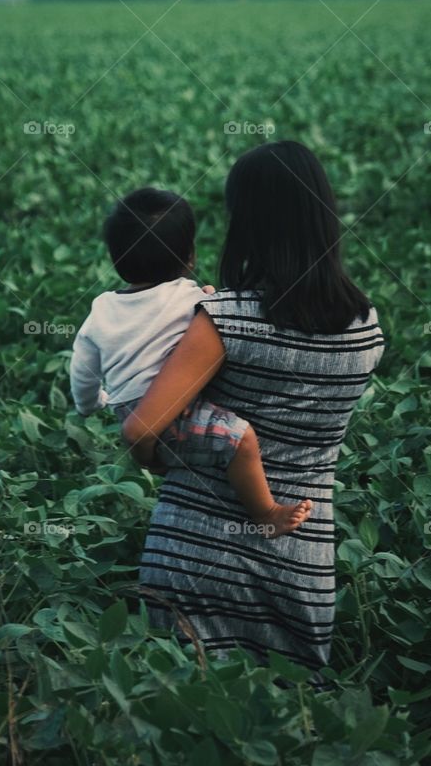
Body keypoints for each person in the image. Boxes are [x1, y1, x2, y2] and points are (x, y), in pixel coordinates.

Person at [121, 142, 385, 689]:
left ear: (248, 222)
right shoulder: (366, 328)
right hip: (300, 564)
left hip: (193, 558)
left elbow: (141, 428)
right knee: (290, 739)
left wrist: (160, 459)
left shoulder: (223, 319)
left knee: (182, 733)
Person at [69, 186, 312, 537]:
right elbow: (216, 316)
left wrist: (90, 404)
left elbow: (82, 366)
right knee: (240, 439)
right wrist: (211, 296)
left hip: (126, 407)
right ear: (190, 257)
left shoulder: (102, 308)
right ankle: (266, 513)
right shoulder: (188, 297)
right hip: (167, 415)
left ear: (116, 258)